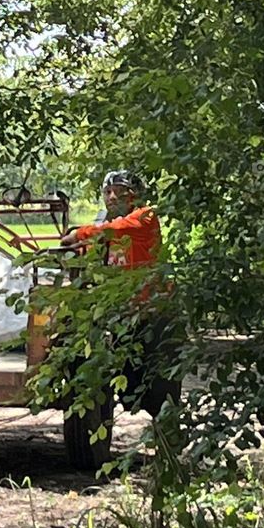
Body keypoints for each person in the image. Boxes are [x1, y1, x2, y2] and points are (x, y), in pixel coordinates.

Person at [59, 168, 179, 417]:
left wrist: (78, 234)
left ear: (134, 195)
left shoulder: (144, 217)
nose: (112, 197)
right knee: (125, 374)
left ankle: (167, 439)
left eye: (120, 192)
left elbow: (112, 231)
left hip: (153, 312)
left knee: (160, 386)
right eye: (108, 192)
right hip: (124, 312)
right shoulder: (110, 224)